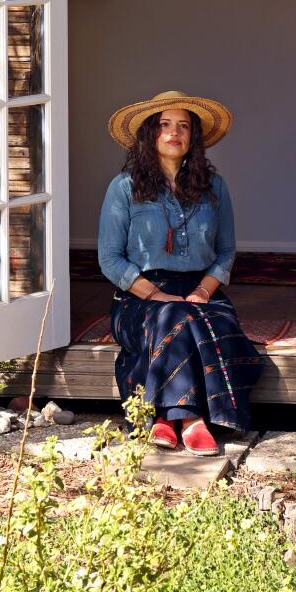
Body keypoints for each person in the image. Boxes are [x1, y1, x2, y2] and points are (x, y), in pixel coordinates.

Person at [97, 88, 263, 454]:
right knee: (175, 315)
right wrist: (154, 294)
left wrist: (203, 292)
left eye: (183, 126)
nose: (175, 133)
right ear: (150, 135)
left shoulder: (214, 187)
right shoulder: (124, 188)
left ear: (193, 137)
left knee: (192, 317)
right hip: (138, 295)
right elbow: (109, 259)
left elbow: (225, 252)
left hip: (199, 290)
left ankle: (163, 417)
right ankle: (191, 419)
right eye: (165, 125)